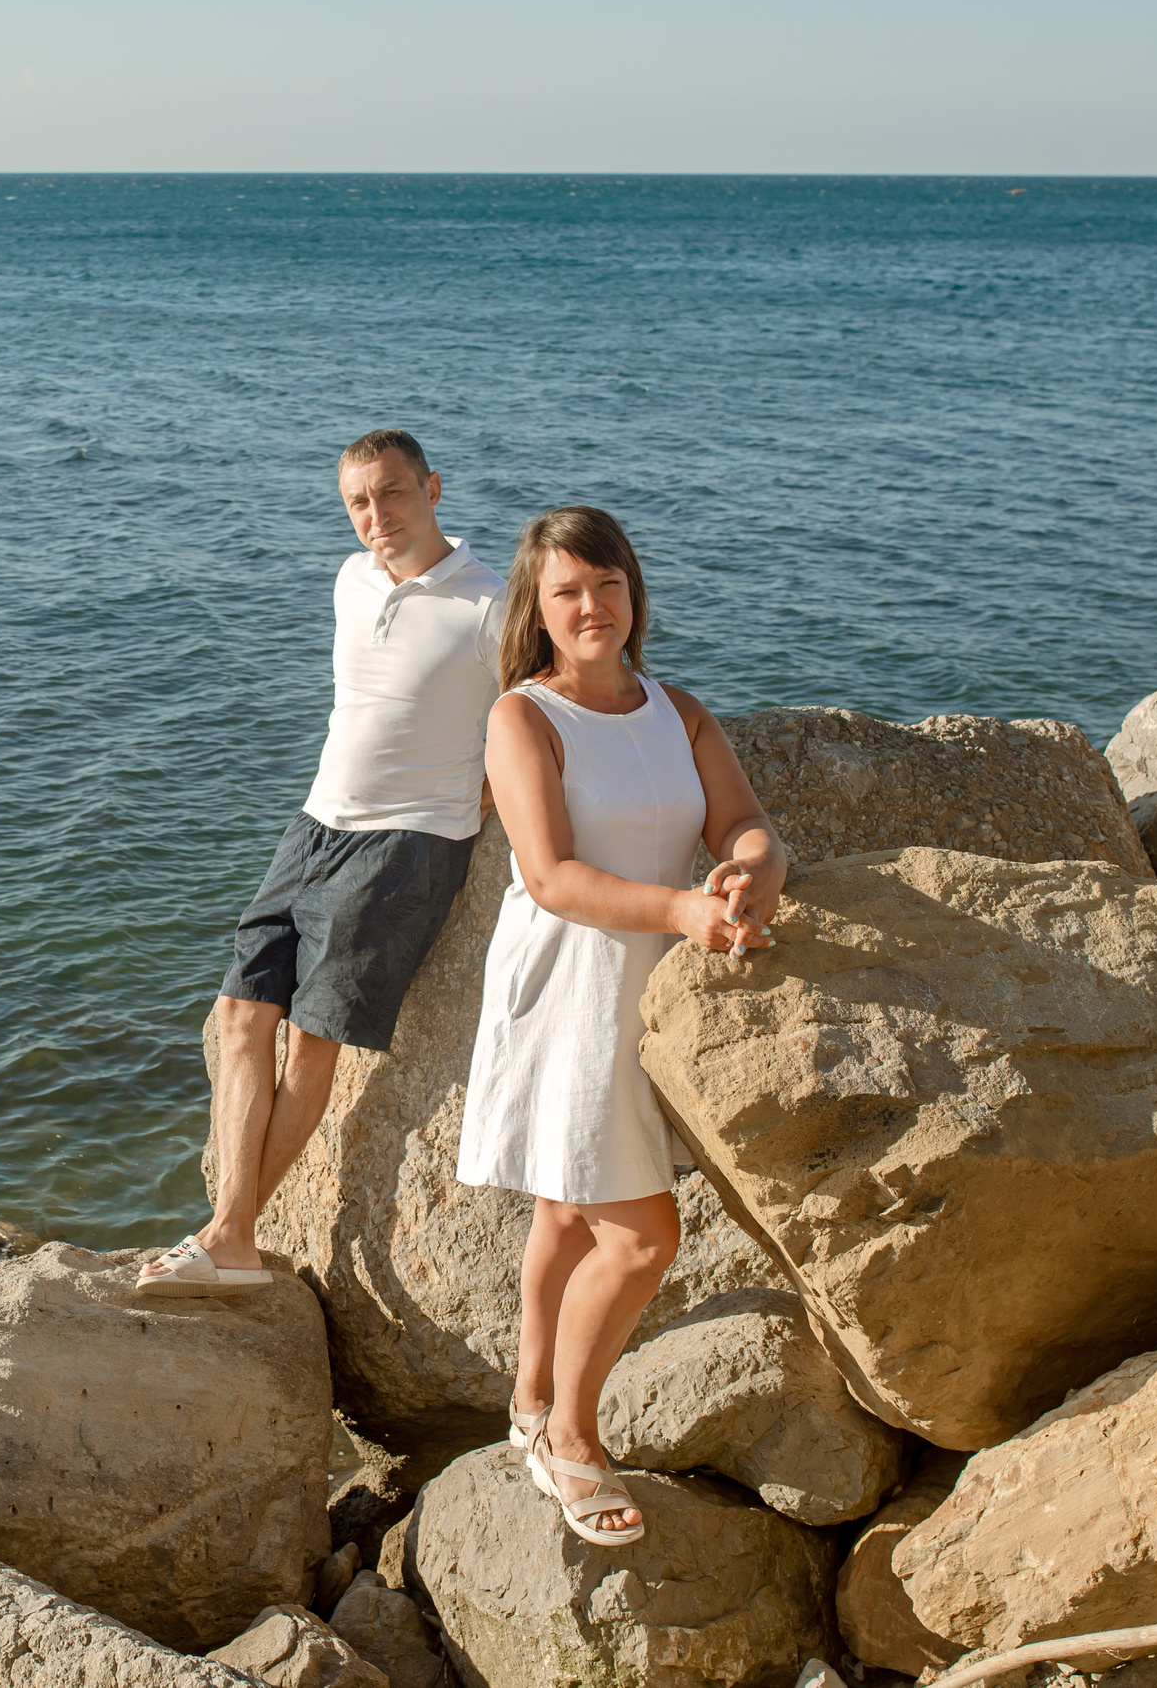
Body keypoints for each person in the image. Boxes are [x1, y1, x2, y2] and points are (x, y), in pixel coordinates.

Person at [456, 505, 785, 1544]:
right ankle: (572, 1439)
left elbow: (741, 820)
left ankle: (528, 1398)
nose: (590, 606)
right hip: (571, 983)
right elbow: (549, 877)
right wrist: (686, 910)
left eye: (606, 585)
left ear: (632, 593)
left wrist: (749, 870)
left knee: (565, 1211)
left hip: (658, 979)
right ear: (538, 612)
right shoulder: (523, 719)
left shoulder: (676, 709)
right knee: (642, 1238)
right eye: (566, 592)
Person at [138, 429, 506, 1297]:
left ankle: (228, 1236)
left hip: (409, 841)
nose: (377, 516)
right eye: (359, 502)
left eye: (394, 493)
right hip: (313, 827)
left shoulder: (491, 603)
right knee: (238, 1014)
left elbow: (538, 715)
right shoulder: (350, 578)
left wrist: (479, 802)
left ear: (434, 488)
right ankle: (227, 1236)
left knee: (311, 1038)